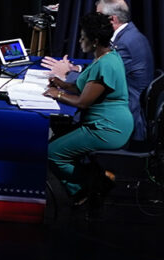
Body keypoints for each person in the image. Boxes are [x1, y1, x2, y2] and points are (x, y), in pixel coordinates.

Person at [45, 11, 134, 207]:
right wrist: (61, 84)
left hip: (108, 128)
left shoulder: (106, 64)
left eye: (82, 37)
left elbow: (83, 102)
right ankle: (84, 189)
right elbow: (82, 87)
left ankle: (96, 182)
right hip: (102, 123)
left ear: (94, 41)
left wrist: (57, 94)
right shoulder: (105, 56)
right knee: (56, 140)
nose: (79, 41)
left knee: (52, 153)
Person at [44, 0, 155, 142]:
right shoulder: (128, 35)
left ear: (112, 19)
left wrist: (66, 74)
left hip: (117, 117)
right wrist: (76, 68)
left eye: (98, 16)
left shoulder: (125, 44)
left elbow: (101, 79)